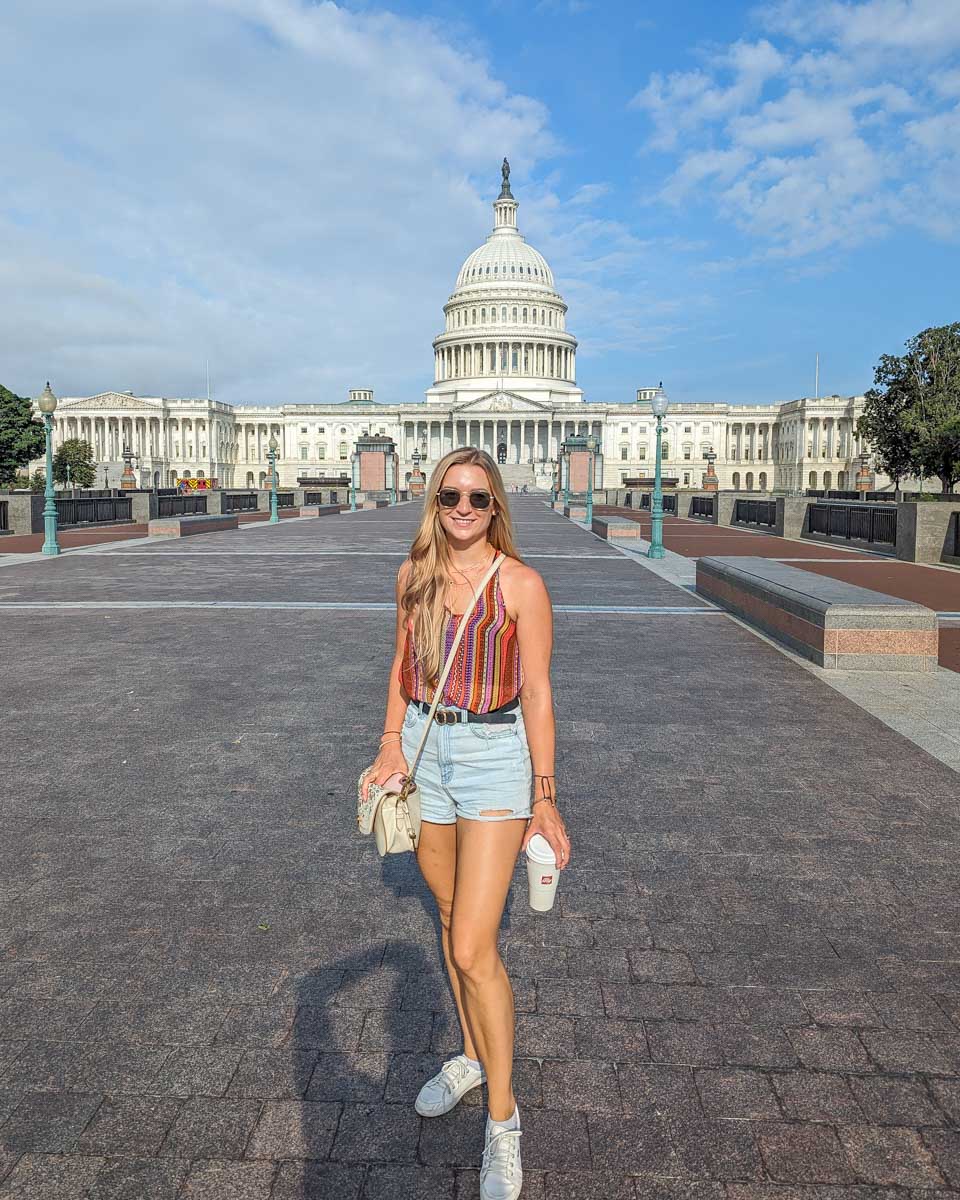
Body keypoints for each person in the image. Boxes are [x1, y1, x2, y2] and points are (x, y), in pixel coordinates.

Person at [362, 447, 570, 1200]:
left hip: (493, 758)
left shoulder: (521, 584)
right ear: (434, 498)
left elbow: (540, 693)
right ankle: (476, 1060)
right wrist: (390, 746)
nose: (462, 508)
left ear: (495, 505)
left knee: (475, 945)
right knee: (451, 920)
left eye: (476, 498)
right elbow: (399, 664)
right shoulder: (412, 575)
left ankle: (504, 1124)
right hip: (426, 752)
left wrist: (544, 795)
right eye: (450, 495)